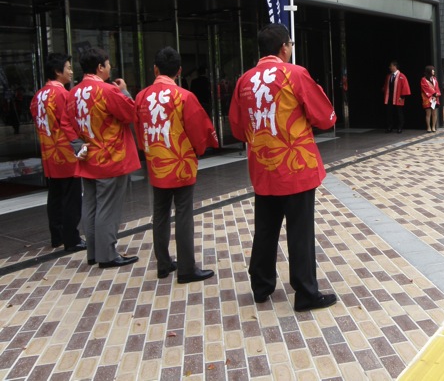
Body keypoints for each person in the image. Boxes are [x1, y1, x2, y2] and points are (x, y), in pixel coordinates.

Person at [229, 24, 337, 312]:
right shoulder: (295, 74)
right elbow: (325, 117)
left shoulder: (244, 81)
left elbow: (238, 128)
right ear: (284, 47)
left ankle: (261, 286)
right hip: (296, 166)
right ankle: (305, 292)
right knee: (300, 230)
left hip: (264, 166)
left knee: (265, 228)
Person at [135, 47, 218, 283]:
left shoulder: (141, 97)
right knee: (183, 212)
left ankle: (163, 264)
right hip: (180, 161)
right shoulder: (184, 96)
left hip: (156, 161)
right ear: (179, 71)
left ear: (155, 69)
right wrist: (199, 150)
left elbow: (140, 132)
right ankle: (186, 268)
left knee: (160, 212)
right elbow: (199, 131)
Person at [67, 47, 140, 268]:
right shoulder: (108, 90)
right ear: (100, 67)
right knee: (108, 208)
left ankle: (93, 252)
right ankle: (107, 254)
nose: (110, 68)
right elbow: (130, 113)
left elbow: (67, 123)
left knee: (90, 206)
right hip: (110, 156)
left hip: (88, 155)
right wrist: (124, 91)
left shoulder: (74, 93)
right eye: (108, 64)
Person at [29, 53, 85, 252]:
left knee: (55, 196)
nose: (71, 71)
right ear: (57, 71)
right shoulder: (62, 94)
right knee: (72, 198)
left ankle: (57, 236)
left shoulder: (38, 96)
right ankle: (72, 239)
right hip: (66, 153)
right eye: (68, 67)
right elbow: (70, 123)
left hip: (48, 152)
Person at [382, 61, 411, 133]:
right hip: (389, 97)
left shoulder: (402, 76)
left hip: (398, 97)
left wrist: (402, 96)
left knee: (399, 113)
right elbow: (386, 86)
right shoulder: (388, 76)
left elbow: (405, 87)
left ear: (395, 66)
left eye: (391, 66)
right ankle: (390, 127)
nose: (389, 67)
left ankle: (400, 127)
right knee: (389, 113)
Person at [420, 65, 440, 132]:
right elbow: (425, 88)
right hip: (427, 98)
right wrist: (433, 93)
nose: (434, 71)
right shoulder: (423, 79)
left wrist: (436, 94)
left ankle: (433, 126)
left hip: (434, 98)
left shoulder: (434, 79)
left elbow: (437, 88)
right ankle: (428, 127)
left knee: (434, 113)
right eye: (432, 70)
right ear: (429, 71)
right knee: (428, 113)